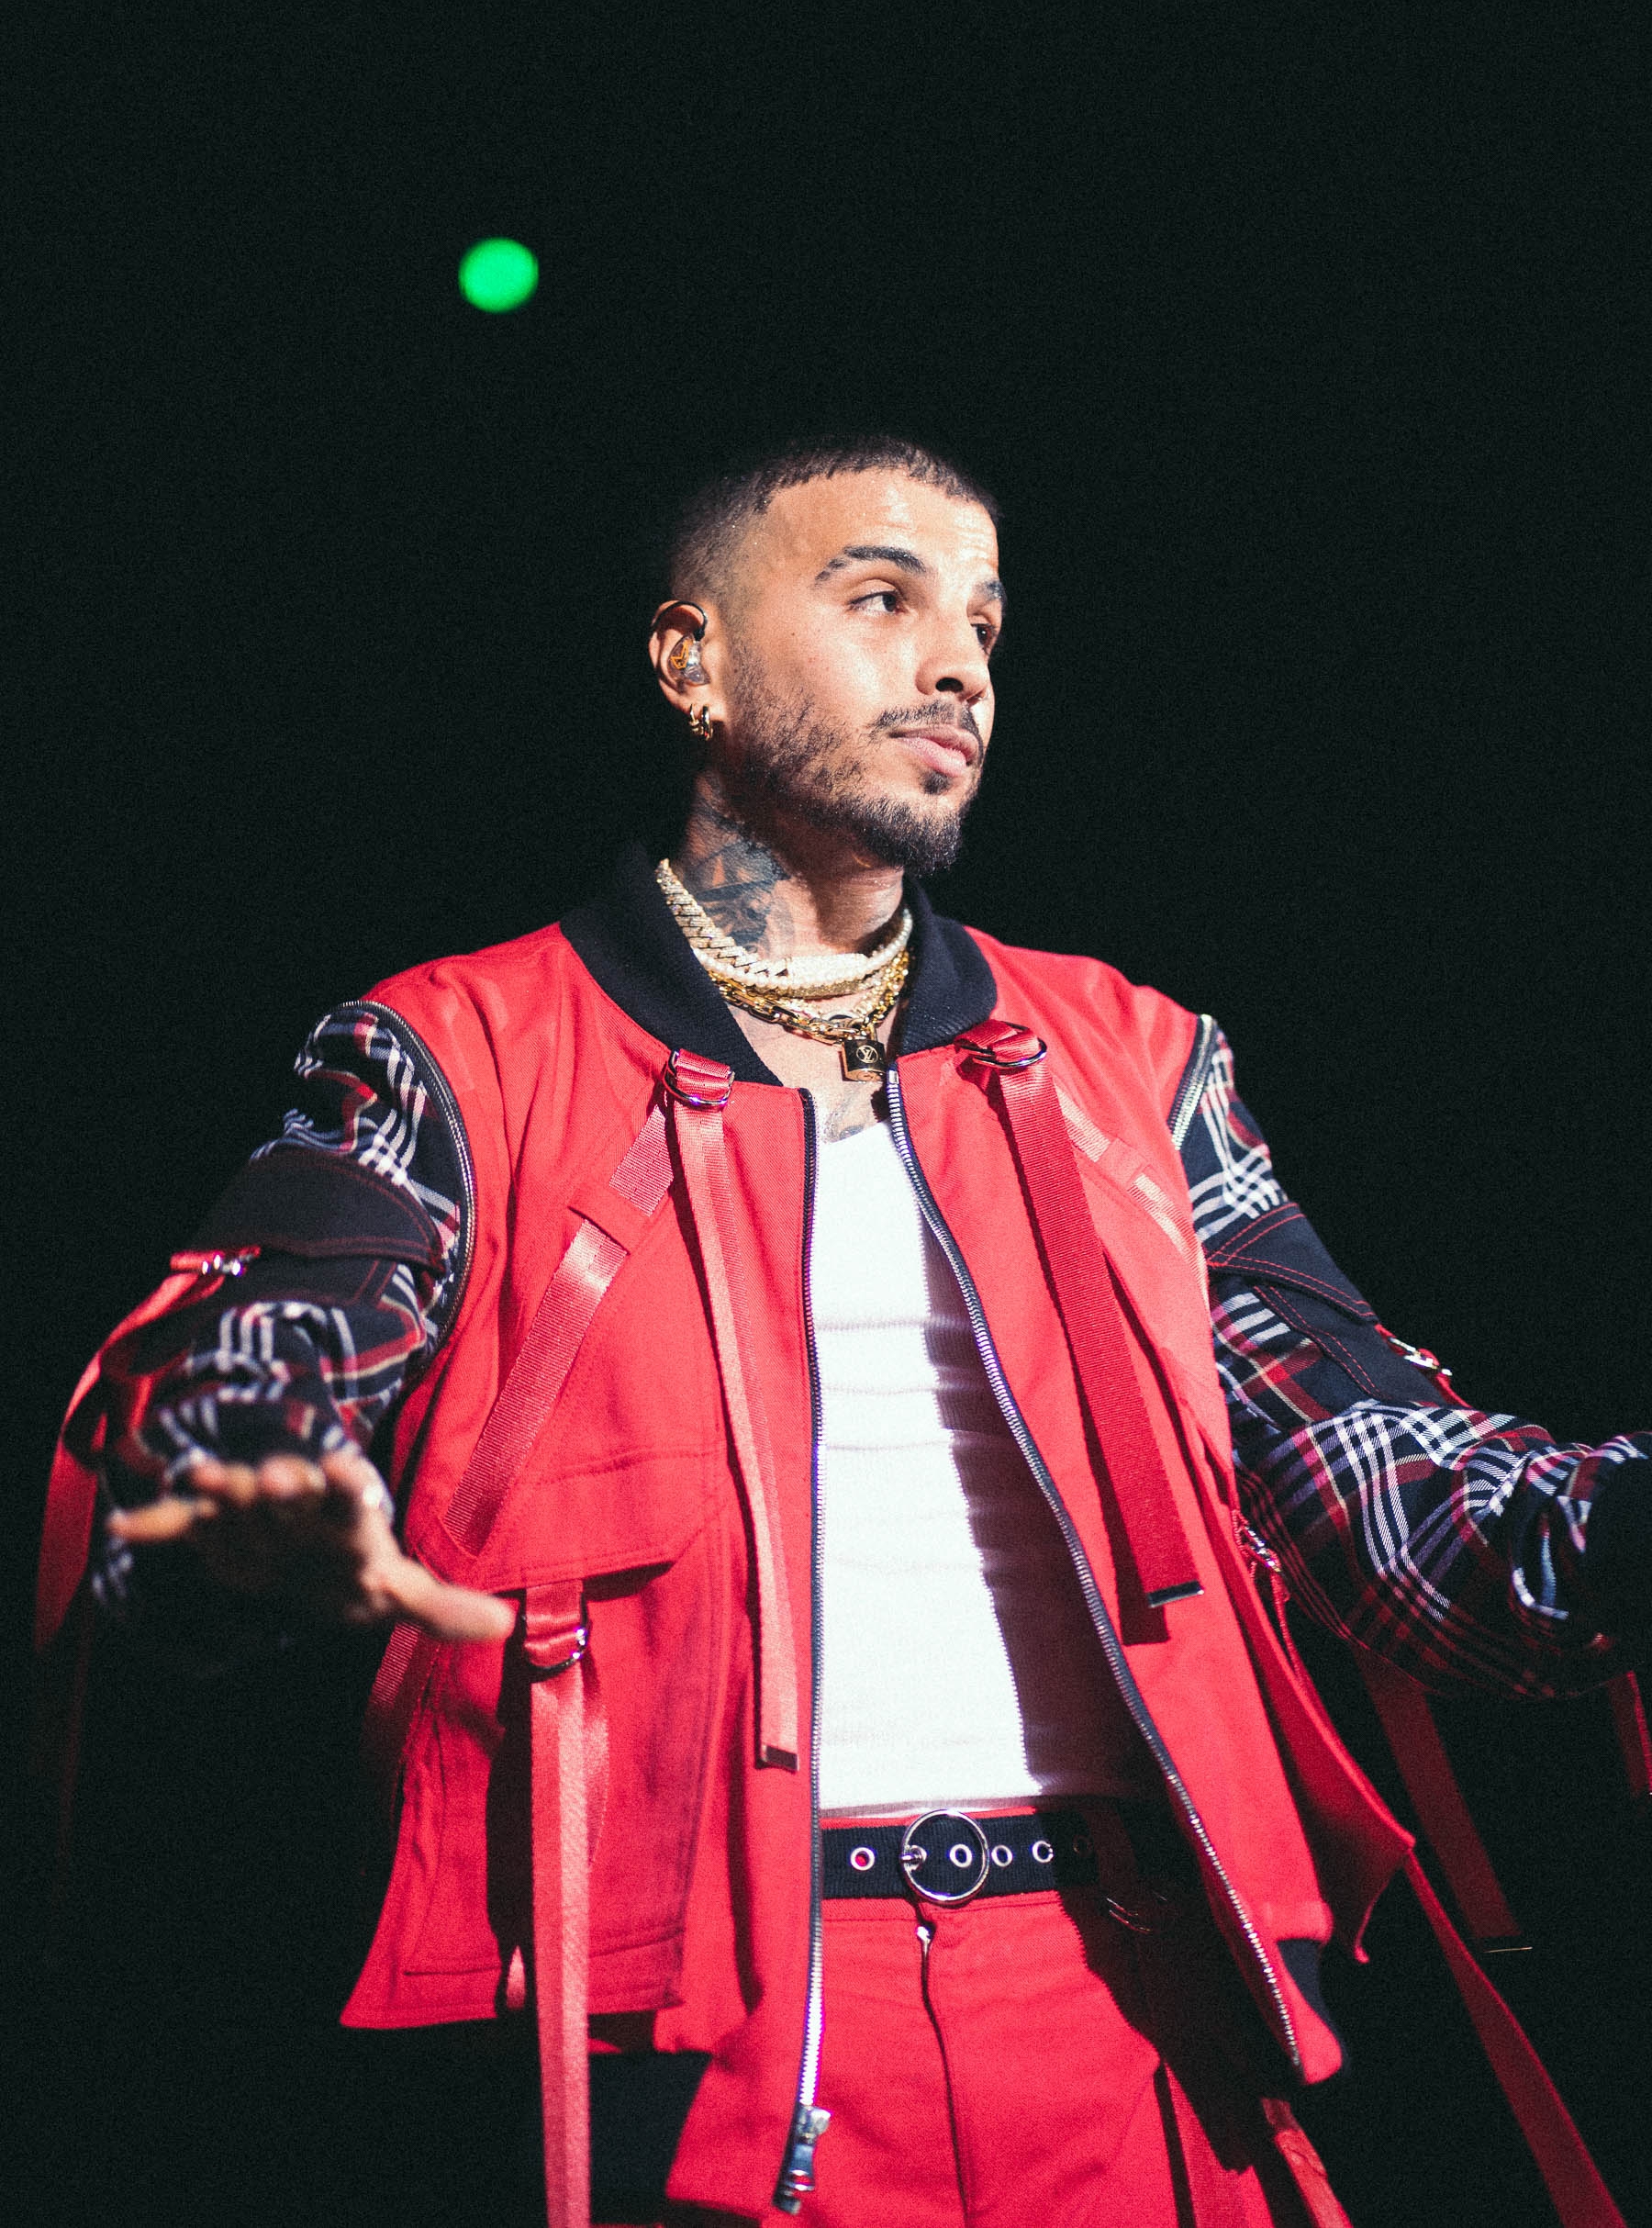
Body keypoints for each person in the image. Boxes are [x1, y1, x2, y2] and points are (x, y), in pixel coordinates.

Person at [40, 437, 1652, 2228]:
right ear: (694, 661)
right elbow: (249, 1352)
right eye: (882, 598)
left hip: (1143, 2018)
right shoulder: (462, 1047)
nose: (958, 663)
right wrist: (248, 1476)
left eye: (984, 623)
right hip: (698, 2037)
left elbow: (1403, 1509)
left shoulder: (1134, 1062)